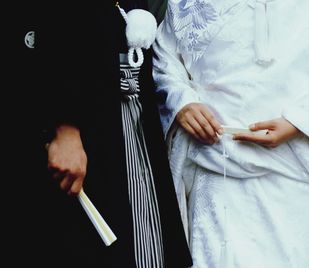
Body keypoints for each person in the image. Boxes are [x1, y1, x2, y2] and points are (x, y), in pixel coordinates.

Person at [152, 0, 309, 267]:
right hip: (216, 162)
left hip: (300, 167)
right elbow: (164, 59)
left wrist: (297, 123)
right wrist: (182, 102)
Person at [14, 0, 192, 267]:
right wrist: (65, 127)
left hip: (135, 127)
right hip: (85, 130)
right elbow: (48, 31)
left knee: (144, 241)